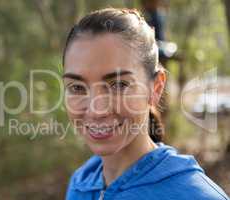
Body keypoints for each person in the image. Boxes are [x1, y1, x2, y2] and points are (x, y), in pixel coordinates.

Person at [62, 8, 229, 200]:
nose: (96, 110)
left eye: (118, 84)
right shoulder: (80, 185)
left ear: (156, 88)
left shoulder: (195, 195)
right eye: (77, 87)